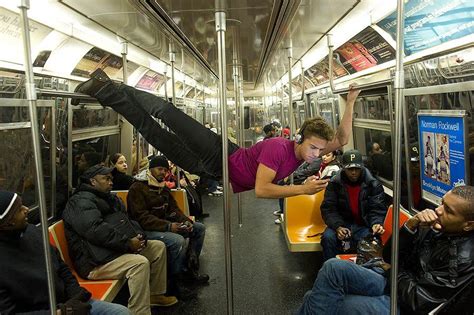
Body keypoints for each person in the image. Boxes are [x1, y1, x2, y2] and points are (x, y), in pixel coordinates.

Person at [72, 69, 360, 199]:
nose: (316, 155)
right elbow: (262, 190)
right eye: (313, 148)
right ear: (299, 139)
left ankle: (105, 92)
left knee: (152, 133)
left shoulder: (311, 149)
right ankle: (116, 87)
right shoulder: (277, 147)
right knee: (167, 113)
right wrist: (303, 189)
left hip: (212, 170)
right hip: (221, 152)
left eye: (319, 150)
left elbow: (343, 138)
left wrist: (351, 101)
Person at [298, 185, 474, 315]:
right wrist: (410, 226)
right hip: (396, 283)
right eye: (442, 203)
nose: (438, 210)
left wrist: (393, 271)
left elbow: (419, 301)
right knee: (333, 268)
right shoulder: (436, 228)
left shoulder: (462, 259)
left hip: (405, 305)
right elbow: (389, 256)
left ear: (468, 225)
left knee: (319, 299)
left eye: (448, 211)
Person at [62, 165, 177, 314]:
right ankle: (139, 312)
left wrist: (139, 236)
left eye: (111, 179)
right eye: (106, 178)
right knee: (139, 264)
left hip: (111, 251)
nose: (111, 182)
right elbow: (95, 230)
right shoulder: (79, 202)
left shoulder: (109, 198)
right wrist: (128, 243)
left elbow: (126, 221)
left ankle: (154, 295)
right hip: (93, 262)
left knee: (157, 247)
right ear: (92, 181)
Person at [0, 190, 130, 314]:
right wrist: (61, 313)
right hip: (47, 311)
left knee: (121, 312)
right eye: (19, 210)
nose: (26, 209)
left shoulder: (33, 232)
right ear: (7, 223)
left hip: (67, 302)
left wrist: (76, 295)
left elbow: (61, 267)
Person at [127, 156, 209, 297]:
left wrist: (186, 221)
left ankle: (188, 270)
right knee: (177, 241)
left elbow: (173, 209)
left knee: (199, 229)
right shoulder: (137, 188)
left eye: (165, 170)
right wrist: (168, 227)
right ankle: (174, 283)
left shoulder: (162, 187)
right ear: (151, 169)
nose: (163, 173)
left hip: (163, 225)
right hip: (144, 230)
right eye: (159, 169)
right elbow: (141, 218)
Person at [321, 149, 387, 260]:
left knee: (369, 241)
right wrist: (338, 226)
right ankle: (330, 269)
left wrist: (376, 223)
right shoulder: (334, 184)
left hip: (363, 224)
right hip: (342, 222)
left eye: (357, 169)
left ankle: (362, 272)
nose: (354, 172)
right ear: (343, 168)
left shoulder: (373, 184)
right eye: (350, 169)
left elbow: (377, 209)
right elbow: (329, 208)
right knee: (328, 238)